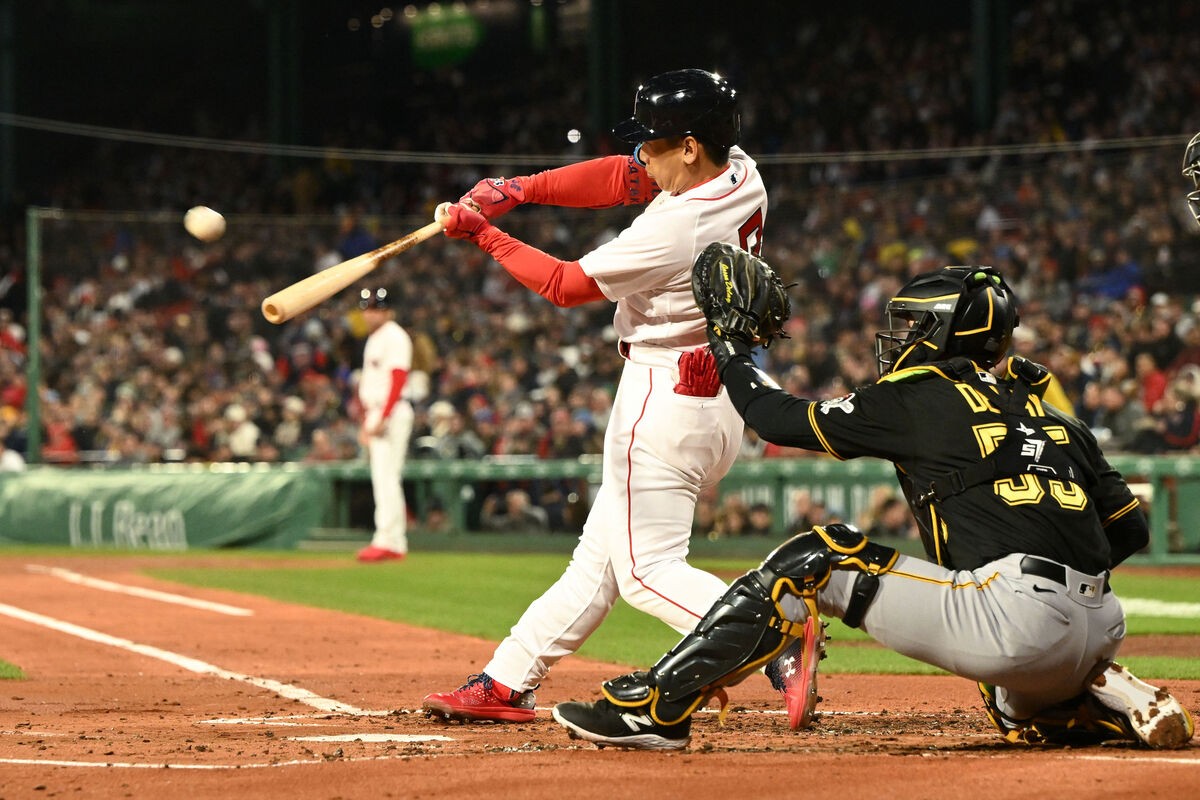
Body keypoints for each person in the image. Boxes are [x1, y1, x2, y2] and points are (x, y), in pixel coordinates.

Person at [552, 251, 1194, 751]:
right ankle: (1098, 692)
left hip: (1017, 622)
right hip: (1101, 622)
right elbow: (1130, 533)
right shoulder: (1051, 411)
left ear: (945, 332)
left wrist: (731, 347)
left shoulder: (920, 392)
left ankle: (656, 710)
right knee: (1013, 706)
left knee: (817, 557)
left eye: (915, 324)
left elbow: (776, 419)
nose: (901, 337)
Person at [422, 68, 796, 722]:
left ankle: (770, 634)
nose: (640, 155)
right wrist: (520, 189)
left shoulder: (680, 226)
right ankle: (508, 680)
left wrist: (484, 233)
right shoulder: (738, 167)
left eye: (653, 143)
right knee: (598, 561)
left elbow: (565, 285)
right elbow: (622, 177)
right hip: (717, 387)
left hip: (665, 394)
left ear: (688, 146)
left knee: (645, 571)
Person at [354, 287, 414, 563]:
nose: (371, 313)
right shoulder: (375, 338)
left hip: (391, 411)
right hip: (377, 411)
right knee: (384, 478)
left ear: (388, 311)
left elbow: (398, 378)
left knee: (387, 477)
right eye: (367, 308)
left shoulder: (394, 336)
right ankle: (393, 540)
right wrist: (368, 420)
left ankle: (387, 540)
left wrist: (384, 417)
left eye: (376, 308)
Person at [479, 488, 551, 533]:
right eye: (510, 504)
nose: (513, 507)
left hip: (538, 550)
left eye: (516, 503)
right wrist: (487, 511)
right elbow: (488, 523)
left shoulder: (536, 514)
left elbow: (541, 518)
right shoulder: (508, 520)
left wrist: (522, 509)